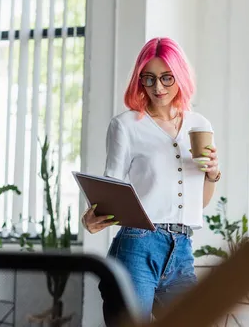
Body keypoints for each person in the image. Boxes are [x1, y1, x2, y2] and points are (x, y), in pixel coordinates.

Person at [80, 37, 221, 324]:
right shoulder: (127, 125)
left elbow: (200, 202)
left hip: (181, 247)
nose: (158, 87)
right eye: (149, 78)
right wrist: (92, 217)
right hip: (137, 244)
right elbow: (112, 188)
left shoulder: (199, 125)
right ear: (139, 81)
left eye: (167, 78)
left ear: (180, 76)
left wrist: (213, 173)